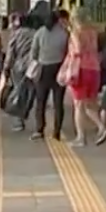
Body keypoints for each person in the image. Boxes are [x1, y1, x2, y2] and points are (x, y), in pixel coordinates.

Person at [65, 10, 105, 146]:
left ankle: (81, 137)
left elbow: (78, 50)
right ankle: (101, 127)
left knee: (78, 105)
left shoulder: (76, 32)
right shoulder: (93, 32)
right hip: (94, 69)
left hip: (80, 70)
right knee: (88, 104)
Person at [29, 10, 71, 141]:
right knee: (58, 102)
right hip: (59, 68)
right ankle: (56, 132)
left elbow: (34, 52)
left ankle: (39, 130)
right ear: (58, 20)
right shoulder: (64, 33)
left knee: (41, 101)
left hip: (43, 69)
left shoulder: (40, 32)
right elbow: (68, 51)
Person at [3, 14, 41, 131]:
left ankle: (19, 121)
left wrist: (6, 67)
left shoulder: (16, 34)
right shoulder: (36, 33)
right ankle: (33, 118)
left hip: (19, 67)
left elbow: (10, 52)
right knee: (32, 93)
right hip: (34, 67)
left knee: (19, 91)